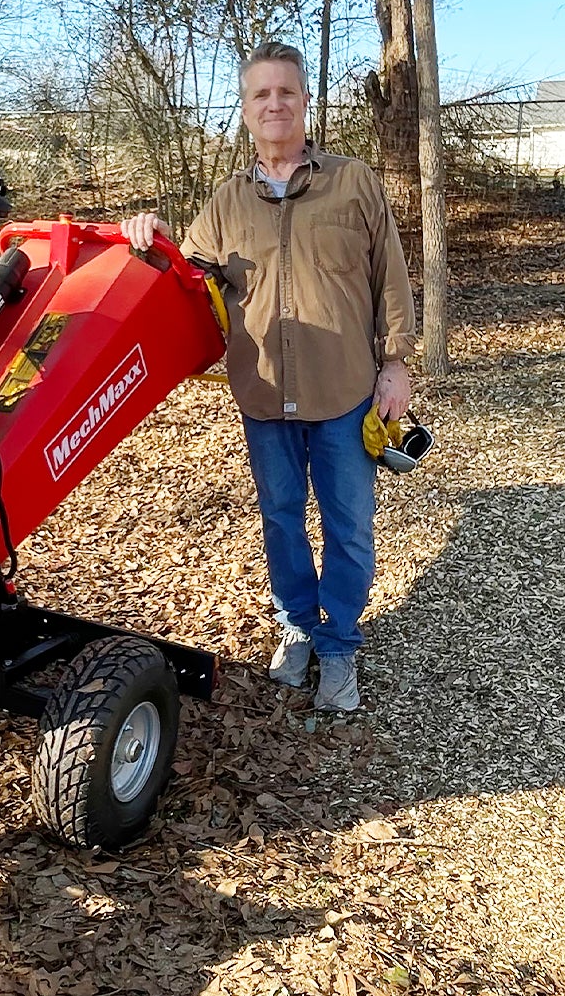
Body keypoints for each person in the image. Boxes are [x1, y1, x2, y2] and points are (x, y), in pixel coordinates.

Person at [120, 41, 416, 712]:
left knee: (348, 526)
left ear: (305, 102)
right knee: (281, 519)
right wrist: (153, 236)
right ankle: (297, 627)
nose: (274, 104)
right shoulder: (227, 202)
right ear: (246, 113)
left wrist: (395, 361)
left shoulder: (354, 182)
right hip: (263, 395)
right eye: (261, 95)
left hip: (344, 392)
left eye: (286, 92)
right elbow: (185, 280)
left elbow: (390, 277)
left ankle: (338, 647)